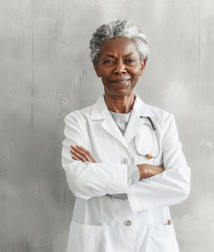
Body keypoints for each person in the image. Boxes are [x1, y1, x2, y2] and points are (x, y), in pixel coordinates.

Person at [61, 20, 191, 252]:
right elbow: (79, 181)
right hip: (98, 242)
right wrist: (141, 171)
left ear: (142, 66)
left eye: (129, 60)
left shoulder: (163, 121)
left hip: (150, 241)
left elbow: (180, 185)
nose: (120, 69)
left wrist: (106, 181)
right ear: (96, 67)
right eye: (109, 61)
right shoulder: (78, 121)